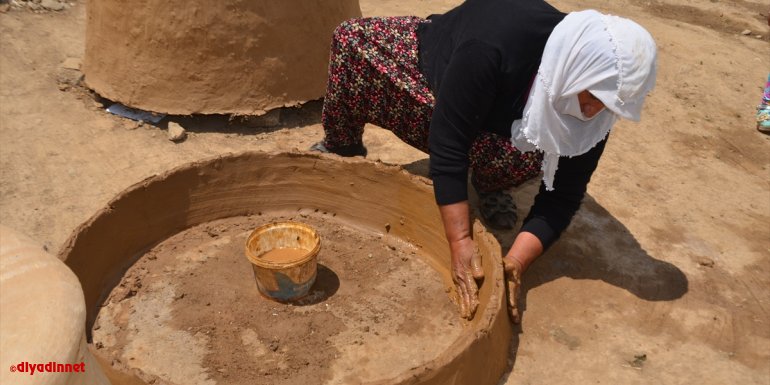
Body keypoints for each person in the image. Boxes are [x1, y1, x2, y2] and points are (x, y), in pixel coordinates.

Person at [311, 0, 657, 322]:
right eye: (594, 97)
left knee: (517, 151)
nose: (595, 110)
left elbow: (563, 196)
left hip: (498, 124)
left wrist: (516, 261)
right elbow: (448, 143)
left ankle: (491, 183)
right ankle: (341, 148)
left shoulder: (595, 107)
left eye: (609, 106)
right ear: (579, 68)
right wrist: (460, 241)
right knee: (350, 40)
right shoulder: (493, 46)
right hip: (438, 70)